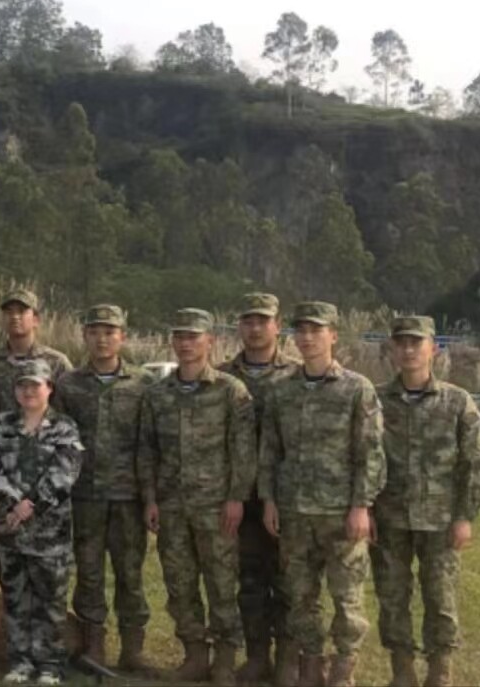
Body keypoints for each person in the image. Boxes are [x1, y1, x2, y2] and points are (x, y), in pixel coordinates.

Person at [258, 301, 385, 687]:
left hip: (340, 513)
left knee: (347, 598)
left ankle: (344, 668)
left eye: (316, 330)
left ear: (333, 335)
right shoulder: (281, 391)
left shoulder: (356, 388)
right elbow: (270, 451)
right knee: (300, 596)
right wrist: (269, 500)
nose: (308, 338)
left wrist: (362, 506)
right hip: (294, 512)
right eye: (301, 331)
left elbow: (370, 452)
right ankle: (311, 665)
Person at [370, 316, 480, 687]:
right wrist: (366, 507)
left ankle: (440, 671)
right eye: (401, 343)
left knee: (440, 597)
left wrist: (465, 516)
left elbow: (477, 464)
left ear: (433, 349)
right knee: (392, 596)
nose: (408, 350)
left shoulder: (456, 402)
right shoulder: (375, 399)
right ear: (392, 349)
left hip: (440, 519)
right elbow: (363, 456)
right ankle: (402, 670)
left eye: (416, 343)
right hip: (390, 517)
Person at [140, 308, 255, 683]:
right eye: (180, 336)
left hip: (216, 506)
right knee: (180, 583)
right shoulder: (157, 394)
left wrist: (237, 498)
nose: (186, 343)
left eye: (193, 336)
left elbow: (243, 451)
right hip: (172, 505)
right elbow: (148, 450)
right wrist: (150, 498)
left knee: (221, 582)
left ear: (210, 341)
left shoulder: (229, 390)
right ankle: (194, 654)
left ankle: (225, 657)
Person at [50, 304, 151, 673]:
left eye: (110, 332)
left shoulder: (143, 383)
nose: (102, 339)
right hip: (85, 495)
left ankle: (133, 648)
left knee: (130, 573)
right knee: (89, 572)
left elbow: (149, 443)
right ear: (85, 336)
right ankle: (94, 644)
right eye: (94, 332)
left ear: (122, 336)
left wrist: (150, 496)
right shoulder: (68, 384)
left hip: (128, 496)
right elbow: (58, 440)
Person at [0, 359, 82, 686]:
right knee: (14, 596)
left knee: (51, 599)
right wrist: (14, 503)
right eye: (22, 385)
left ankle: (50, 664)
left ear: (49, 388)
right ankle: (20, 661)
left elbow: (65, 472)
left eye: (35, 385)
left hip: (49, 531)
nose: (28, 391)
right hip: (8, 527)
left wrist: (32, 504)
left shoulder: (64, 427)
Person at [218, 291, 299, 681]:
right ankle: (256, 655)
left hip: (287, 495)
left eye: (262, 321)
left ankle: (289, 657)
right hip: (239, 496)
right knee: (248, 579)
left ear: (277, 326)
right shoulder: (221, 376)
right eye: (248, 321)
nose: (254, 328)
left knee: (289, 580)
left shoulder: (296, 376)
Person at [0, 290, 72, 419]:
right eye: (9, 312)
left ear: (36, 319)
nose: (15, 317)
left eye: (21, 311)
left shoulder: (56, 362)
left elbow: (70, 408)